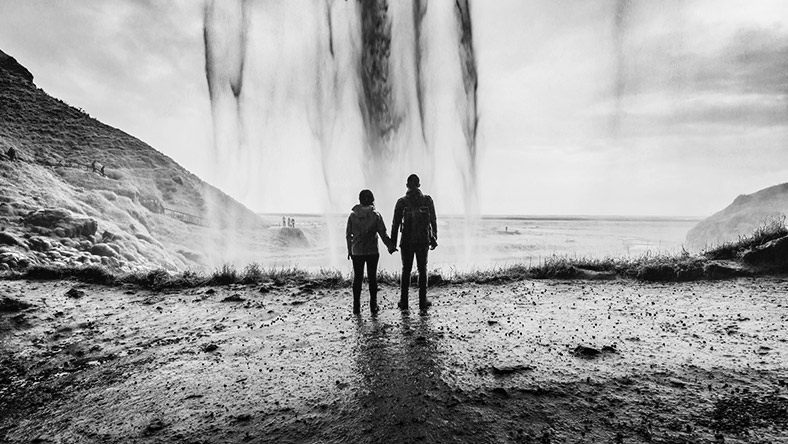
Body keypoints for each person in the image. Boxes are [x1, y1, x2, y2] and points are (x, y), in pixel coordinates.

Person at [390, 174, 437, 313]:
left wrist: (392, 243)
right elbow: (433, 220)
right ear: (419, 185)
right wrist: (434, 236)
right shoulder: (427, 200)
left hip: (406, 241)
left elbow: (395, 224)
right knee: (423, 270)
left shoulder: (401, 202)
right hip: (423, 240)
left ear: (407, 185)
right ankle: (423, 301)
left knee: (406, 270)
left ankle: (404, 302)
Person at [346, 189, 395, 315]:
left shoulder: (352, 216)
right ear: (372, 199)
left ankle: (356, 306)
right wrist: (390, 246)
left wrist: (349, 250)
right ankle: (373, 305)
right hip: (372, 251)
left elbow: (348, 235)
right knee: (372, 278)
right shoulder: (376, 215)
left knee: (357, 278)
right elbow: (383, 233)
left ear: (360, 200)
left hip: (357, 251)